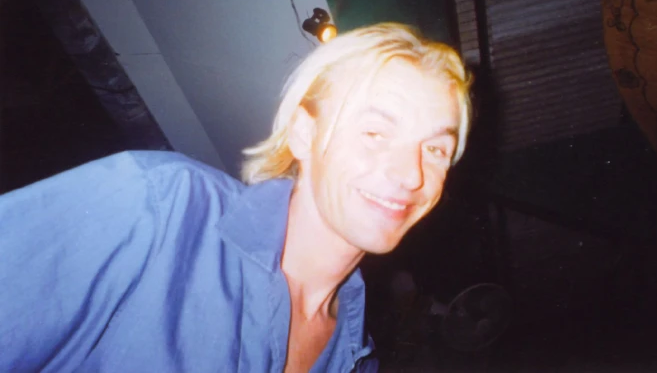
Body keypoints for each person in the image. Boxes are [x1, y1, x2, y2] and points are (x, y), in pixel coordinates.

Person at [0, 22, 473, 373]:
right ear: (305, 134)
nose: (411, 175)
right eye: (374, 132)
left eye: (436, 149)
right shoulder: (159, 207)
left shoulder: (354, 356)